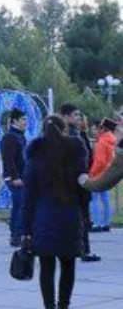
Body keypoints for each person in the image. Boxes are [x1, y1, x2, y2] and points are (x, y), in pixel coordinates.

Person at [24, 115, 89, 309]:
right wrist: (84, 214)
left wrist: (26, 227)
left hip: (44, 216)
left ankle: (49, 306)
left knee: (46, 266)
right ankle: (63, 305)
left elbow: (29, 196)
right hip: (70, 215)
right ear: (65, 130)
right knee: (68, 264)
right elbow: (83, 186)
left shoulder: (36, 155)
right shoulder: (75, 153)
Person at [59, 104, 99, 262]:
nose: (79, 118)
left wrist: (83, 132)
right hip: (72, 182)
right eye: (76, 115)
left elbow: (88, 155)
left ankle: (82, 249)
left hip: (81, 180)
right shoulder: (63, 134)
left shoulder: (76, 133)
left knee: (82, 217)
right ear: (66, 116)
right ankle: (80, 249)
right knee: (76, 217)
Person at [2, 108, 29, 246]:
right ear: (14, 121)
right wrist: (15, 177)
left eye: (26, 119)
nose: (26, 122)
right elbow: (9, 159)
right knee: (19, 205)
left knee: (20, 205)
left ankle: (19, 233)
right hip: (14, 178)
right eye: (23, 119)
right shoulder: (10, 137)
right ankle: (16, 235)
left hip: (22, 177)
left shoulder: (20, 135)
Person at [89, 118, 116, 231]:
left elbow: (100, 161)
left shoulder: (102, 142)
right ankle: (106, 222)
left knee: (93, 199)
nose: (93, 132)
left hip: (98, 174)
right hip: (108, 173)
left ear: (101, 129)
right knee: (105, 199)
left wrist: (92, 173)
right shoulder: (111, 140)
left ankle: (96, 223)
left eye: (94, 129)